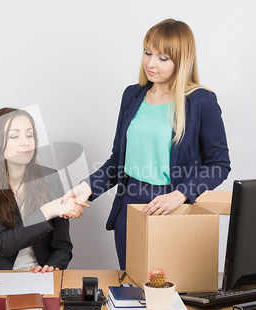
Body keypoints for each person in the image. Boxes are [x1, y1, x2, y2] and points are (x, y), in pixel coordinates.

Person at [62, 19, 231, 270]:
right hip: (129, 206)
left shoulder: (201, 101)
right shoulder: (132, 95)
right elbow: (117, 160)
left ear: (181, 60)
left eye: (163, 58)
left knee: (172, 294)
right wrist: (88, 187)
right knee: (131, 290)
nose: (151, 63)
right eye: (147, 52)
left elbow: (219, 165)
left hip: (172, 207)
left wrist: (180, 194)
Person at [0, 107, 82, 272]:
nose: (26, 142)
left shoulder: (50, 177)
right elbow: (3, 244)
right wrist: (47, 210)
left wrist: (51, 267)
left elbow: (62, 246)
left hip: (37, 275)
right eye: (14, 136)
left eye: (29, 134)